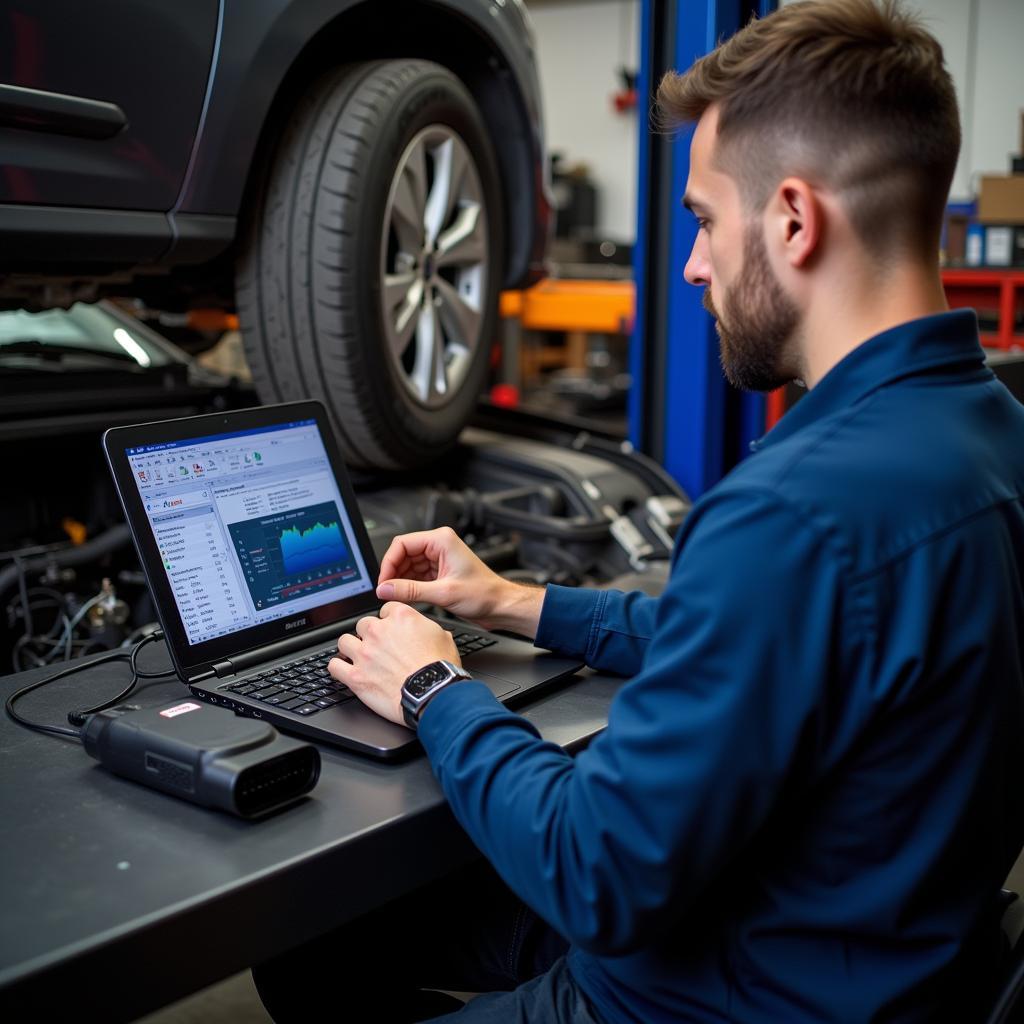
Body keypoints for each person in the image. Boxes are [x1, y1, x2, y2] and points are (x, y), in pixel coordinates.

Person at [253, 1, 1024, 1020]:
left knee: (310, 945)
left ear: (793, 219)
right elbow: (760, 640)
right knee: (317, 940)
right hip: (867, 948)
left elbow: (596, 872)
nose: (692, 266)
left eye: (705, 219)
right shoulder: (990, 433)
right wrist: (516, 602)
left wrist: (433, 688)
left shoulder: (793, 510)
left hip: (705, 992)